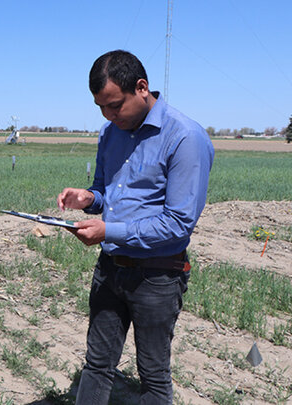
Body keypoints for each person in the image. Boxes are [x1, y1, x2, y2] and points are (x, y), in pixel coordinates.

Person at [56, 50, 214, 404]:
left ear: (141, 88)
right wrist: (89, 198)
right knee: (97, 365)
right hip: (110, 270)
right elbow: (107, 192)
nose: (109, 116)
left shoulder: (185, 137)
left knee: (154, 378)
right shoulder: (110, 133)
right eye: (101, 107)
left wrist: (106, 231)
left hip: (157, 276)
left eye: (114, 105)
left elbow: (178, 224)